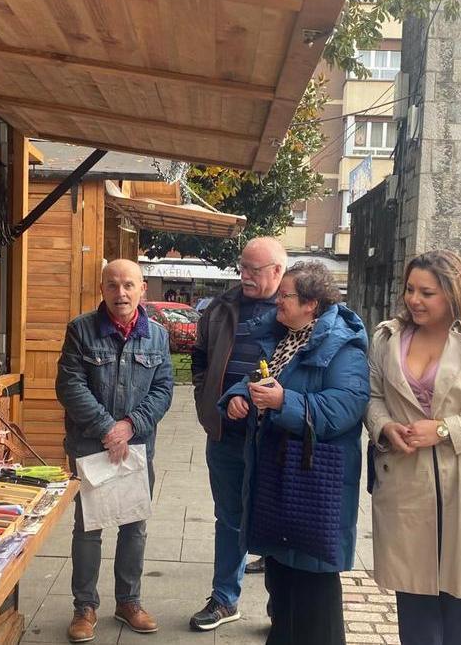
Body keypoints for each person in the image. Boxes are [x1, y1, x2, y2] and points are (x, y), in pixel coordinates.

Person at [366, 250, 461, 645]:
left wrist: (446, 429)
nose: (414, 300)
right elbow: (369, 396)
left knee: (460, 611)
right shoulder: (387, 337)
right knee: (413, 609)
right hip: (404, 486)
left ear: (454, 293)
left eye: (427, 293)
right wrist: (384, 427)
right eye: (410, 290)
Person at [220, 261, 370, 645]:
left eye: (285, 296)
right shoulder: (285, 335)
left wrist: (284, 401)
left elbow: (346, 407)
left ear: (312, 303)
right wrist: (238, 396)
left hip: (314, 482)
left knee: (313, 588)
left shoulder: (343, 345)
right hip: (277, 475)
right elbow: (258, 377)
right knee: (282, 580)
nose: (277, 302)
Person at [55, 259, 174, 643]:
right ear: (102, 288)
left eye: (128, 285)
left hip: (137, 447)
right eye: (112, 285)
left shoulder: (158, 335)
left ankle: (128, 602)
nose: (120, 293)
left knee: (134, 526)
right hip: (91, 446)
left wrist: (130, 425)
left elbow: (164, 390)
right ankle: (84, 607)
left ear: (142, 289)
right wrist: (108, 427)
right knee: (88, 528)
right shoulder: (81, 330)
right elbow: (70, 386)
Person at [189, 237, 286, 630]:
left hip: (277, 435)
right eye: (242, 267)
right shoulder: (222, 306)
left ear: (278, 271)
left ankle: (282, 607)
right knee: (228, 517)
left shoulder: (295, 306)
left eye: (254, 270)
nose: (244, 275)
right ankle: (225, 599)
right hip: (226, 433)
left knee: (280, 520)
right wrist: (207, 399)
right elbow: (199, 356)